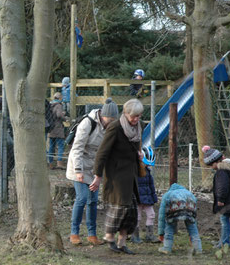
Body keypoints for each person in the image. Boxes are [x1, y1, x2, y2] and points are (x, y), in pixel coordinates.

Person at [90, 98, 144, 255]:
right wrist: (98, 175)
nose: (136, 119)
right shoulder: (115, 127)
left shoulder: (138, 127)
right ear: (126, 113)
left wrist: (139, 155)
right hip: (116, 175)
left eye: (139, 116)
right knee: (119, 208)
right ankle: (109, 238)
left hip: (131, 174)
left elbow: (136, 146)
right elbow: (102, 152)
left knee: (131, 210)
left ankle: (122, 242)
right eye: (134, 116)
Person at [66, 98, 119, 246]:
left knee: (93, 201)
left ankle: (92, 234)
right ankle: (74, 232)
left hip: (95, 167)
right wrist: (78, 171)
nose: (112, 121)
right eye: (110, 119)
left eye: (114, 119)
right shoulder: (87, 124)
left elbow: (106, 153)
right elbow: (77, 148)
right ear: (103, 115)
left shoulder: (111, 127)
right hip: (79, 163)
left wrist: (99, 174)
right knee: (82, 198)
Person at [203, 145, 230, 248]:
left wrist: (220, 199)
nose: (212, 168)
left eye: (211, 165)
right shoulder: (228, 169)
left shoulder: (221, 172)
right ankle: (223, 241)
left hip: (226, 201)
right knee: (224, 221)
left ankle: (224, 242)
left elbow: (222, 187)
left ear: (215, 162)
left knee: (224, 222)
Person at [157, 183, 202, 255]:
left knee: (170, 226)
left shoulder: (168, 194)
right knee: (192, 227)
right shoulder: (189, 194)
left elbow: (162, 216)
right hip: (189, 208)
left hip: (174, 208)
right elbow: (194, 215)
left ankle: (167, 248)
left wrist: (161, 233)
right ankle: (198, 249)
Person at [131, 146, 160, 243]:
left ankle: (149, 235)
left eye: (148, 165)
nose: (147, 167)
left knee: (151, 215)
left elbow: (151, 186)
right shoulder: (134, 172)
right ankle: (135, 236)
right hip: (138, 199)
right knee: (137, 217)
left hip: (147, 199)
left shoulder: (148, 173)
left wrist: (153, 198)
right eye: (145, 164)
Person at [47, 93, 68, 169]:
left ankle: (51, 163)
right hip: (58, 128)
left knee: (51, 146)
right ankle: (59, 163)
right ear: (59, 98)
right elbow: (59, 115)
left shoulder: (50, 105)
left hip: (51, 128)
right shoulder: (58, 105)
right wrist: (65, 117)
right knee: (61, 146)